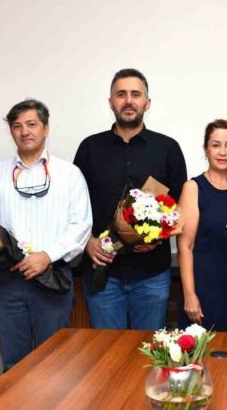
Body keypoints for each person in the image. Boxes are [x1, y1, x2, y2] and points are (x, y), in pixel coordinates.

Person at [0, 99, 92, 371]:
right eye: (17, 126)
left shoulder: (70, 174)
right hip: (7, 282)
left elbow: (81, 226)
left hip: (53, 279)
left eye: (32, 124)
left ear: (46, 129)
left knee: (55, 365)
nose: (24, 131)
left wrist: (47, 256)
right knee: (14, 366)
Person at [74, 68, 187, 330]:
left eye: (135, 94)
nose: (128, 100)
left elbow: (180, 206)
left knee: (150, 349)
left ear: (147, 103)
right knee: (106, 350)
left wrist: (159, 238)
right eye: (121, 94)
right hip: (103, 272)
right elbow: (73, 206)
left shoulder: (167, 148)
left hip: (152, 274)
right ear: (110, 102)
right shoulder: (89, 148)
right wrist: (86, 242)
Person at [177, 119, 227, 332]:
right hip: (205, 289)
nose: (223, 152)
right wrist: (189, 294)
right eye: (216, 145)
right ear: (206, 149)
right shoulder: (193, 187)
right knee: (203, 350)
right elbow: (185, 246)